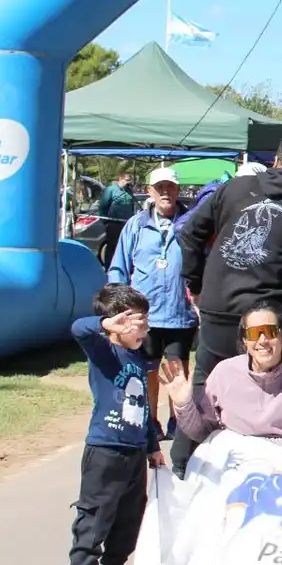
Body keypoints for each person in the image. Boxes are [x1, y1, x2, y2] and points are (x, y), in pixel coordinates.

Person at [176, 132, 282, 476]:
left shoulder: (234, 188)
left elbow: (190, 233)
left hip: (219, 308)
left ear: (276, 160)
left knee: (204, 390)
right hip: (271, 320)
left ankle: (183, 468)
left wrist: (196, 284)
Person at [62, 284, 162, 565]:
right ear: (117, 321)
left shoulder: (137, 359)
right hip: (104, 449)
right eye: (137, 321)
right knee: (95, 514)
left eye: (146, 321)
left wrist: (151, 446)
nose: (143, 328)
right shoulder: (104, 351)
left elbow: (144, 408)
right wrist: (106, 325)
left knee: (129, 514)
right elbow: (78, 329)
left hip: (134, 453)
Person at [162, 300, 282, 455]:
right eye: (254, 333)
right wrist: (183, 405)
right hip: (234, 468)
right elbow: (202, 433)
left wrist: (246, 447)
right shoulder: (224, 372)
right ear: (245, 340)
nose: (262, 341)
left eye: (270, 332)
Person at [107, 166, 197, 438]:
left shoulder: (191, 223)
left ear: (178, 190)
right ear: (150, 192)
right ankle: (150, 421)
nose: (166, 192)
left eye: (170, 187)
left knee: (177, 368)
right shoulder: (135, 225)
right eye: (160, 188)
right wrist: (117, 305)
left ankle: (178, 421)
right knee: (146, 369)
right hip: (143, 315)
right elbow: (118, 266)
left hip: (179, 311)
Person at [97, 172, 136, 263]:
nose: (129, 182)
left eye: (130, 180)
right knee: (112, 246)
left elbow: (132, 206)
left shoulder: (129, 191)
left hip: (127, 224)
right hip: (114, 223)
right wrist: (105, 221)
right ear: (120, 179)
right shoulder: (110, 190)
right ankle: (109, 267)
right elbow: (103, 206)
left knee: (127, 246)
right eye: (127, 180)